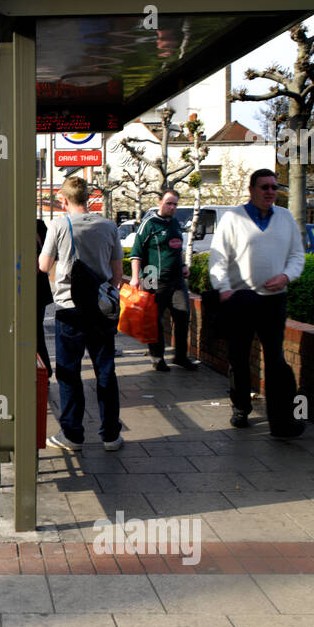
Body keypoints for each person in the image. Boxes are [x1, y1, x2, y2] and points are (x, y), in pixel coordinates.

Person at [207, 168, 306, 436]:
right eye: (264, 187)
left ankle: (282, 420)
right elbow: (217, 259)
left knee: (275, 359)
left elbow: (297, 255)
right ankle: (240, 407)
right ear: (251, 190)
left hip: (273, 301)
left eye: (274, 187)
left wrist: (286, 276)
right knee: (238, 357)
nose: (270, 192)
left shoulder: (285, 218)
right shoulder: (233, 219)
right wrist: (224, 288)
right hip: (241, 299)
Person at [38, 176, 124, 451]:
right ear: (88, 197)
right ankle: (110, 435)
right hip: (100, 311)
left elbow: (43, 265)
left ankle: (73, 435)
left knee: (69, 373)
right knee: (106, 371)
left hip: (69, 310)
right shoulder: (108, 226)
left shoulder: (59, 225)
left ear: (63, 200)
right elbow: (117, 274)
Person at [130, 188, 196, 371]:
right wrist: (135, 278)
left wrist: (183, 266)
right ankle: (157, 357)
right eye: (169, 203)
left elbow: (178, 249)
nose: (173, 207)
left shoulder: (175, 223)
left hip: (176, 280)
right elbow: (136, 253)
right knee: (154, 320)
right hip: (152, 276)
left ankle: (181, 356)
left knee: (182, 316)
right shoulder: (149, 224)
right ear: (159, 203)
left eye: (175, 204)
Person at [34, 218, 53, 377]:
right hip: (41, 287)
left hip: (32, 287)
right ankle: (45, 368)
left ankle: (44, 369)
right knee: (37, 330)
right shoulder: (39, 225)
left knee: (35, 331)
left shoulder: (30, 229)